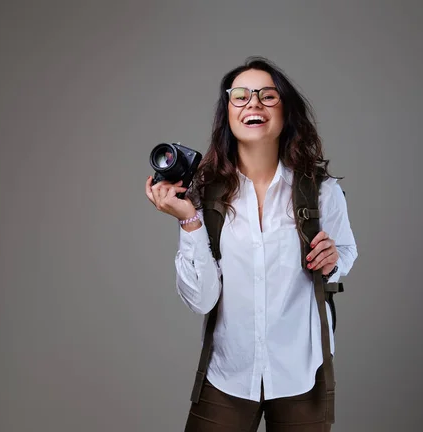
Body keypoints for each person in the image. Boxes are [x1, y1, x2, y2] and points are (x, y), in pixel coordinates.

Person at [145, 56, 358, 431]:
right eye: (240, 96)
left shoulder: (321, 192)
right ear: (227, 113)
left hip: (302, 375)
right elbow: (203, 300)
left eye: (267, 96)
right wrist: (188, 220)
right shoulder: (205, 197)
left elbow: (344, 253)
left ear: (285, 111)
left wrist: (332, 259)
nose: (253, 104)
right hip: (228, 374)